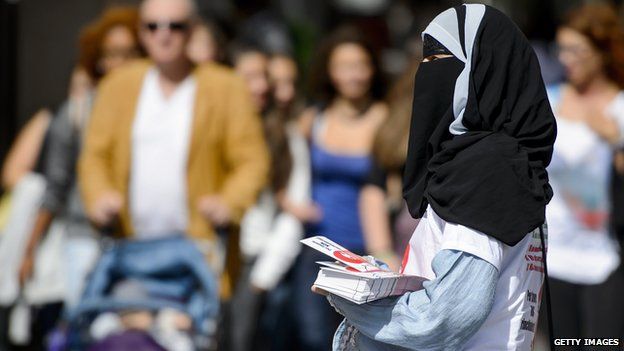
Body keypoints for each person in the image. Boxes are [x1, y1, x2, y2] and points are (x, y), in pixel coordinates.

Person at [315, 4, 557, 350]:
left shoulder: (486, 169)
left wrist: (351, 301)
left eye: (439, 58)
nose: (427, 72)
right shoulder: (509, 165)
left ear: (481, 69)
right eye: (425, 59)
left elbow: (444, 316)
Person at [77, 0, 269, 302]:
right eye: (153, 26)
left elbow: (252, 160)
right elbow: (95, 156)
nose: (163, 35)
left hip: (198, 253)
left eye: (175, 26)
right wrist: (100, 195)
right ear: (141, 33)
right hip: (130, 250)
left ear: (191, 31)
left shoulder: (225, 86)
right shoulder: (118, 85)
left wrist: (228, 202)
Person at [18, 6, 143, 307]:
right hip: (86, 237)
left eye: (129, 53)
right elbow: (55, 187)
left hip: (140, 238)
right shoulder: (75, 113)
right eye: (112, 54)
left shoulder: (156, 112)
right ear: (98, 62)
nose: (121, 64)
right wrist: (29, 249)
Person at [293, 26, 391, 351]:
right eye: (344, 66)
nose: (353, 75)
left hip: (368, 253)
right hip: (318, 250)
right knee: (312, 337)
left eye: (360, 65)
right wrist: (289, 201)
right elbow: (286, 168)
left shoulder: (386, 121)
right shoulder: (313, 119)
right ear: (330, 71)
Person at [543, 3, 624, 342]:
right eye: (562, 48)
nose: (566, 58)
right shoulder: (548, 100)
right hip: (552, 255)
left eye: (578, 50)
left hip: (604, 259)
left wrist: (616, 140)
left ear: (601, 53)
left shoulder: (619, 107)